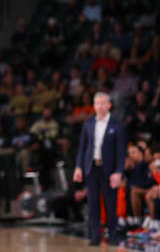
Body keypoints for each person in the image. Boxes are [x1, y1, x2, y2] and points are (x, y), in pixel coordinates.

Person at [73, 92, 126, 246]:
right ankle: (95, 236)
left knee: (111, 204)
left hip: (109, 170)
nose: (100, 106)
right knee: (93, 204)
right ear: (94, 106)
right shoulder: (88, 124)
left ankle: (113, 236)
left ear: (109, 105)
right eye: (97, 103)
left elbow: (121, 152)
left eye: (103, 103)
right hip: (91, 168)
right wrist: (78, 167)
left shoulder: (117, 125)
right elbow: (82, 149)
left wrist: (119, 172)